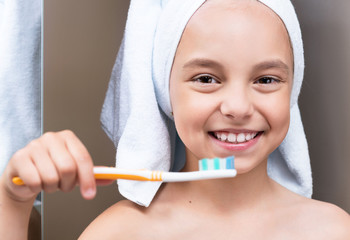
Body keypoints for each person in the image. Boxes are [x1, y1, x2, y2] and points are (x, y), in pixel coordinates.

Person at [1, 0, 349, 239]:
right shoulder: (117, 234)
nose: (239, 107)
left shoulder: (333, 230)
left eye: (266, 80)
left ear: (293, 89)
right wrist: (12, 200)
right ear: (165, 94)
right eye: (206, 79)